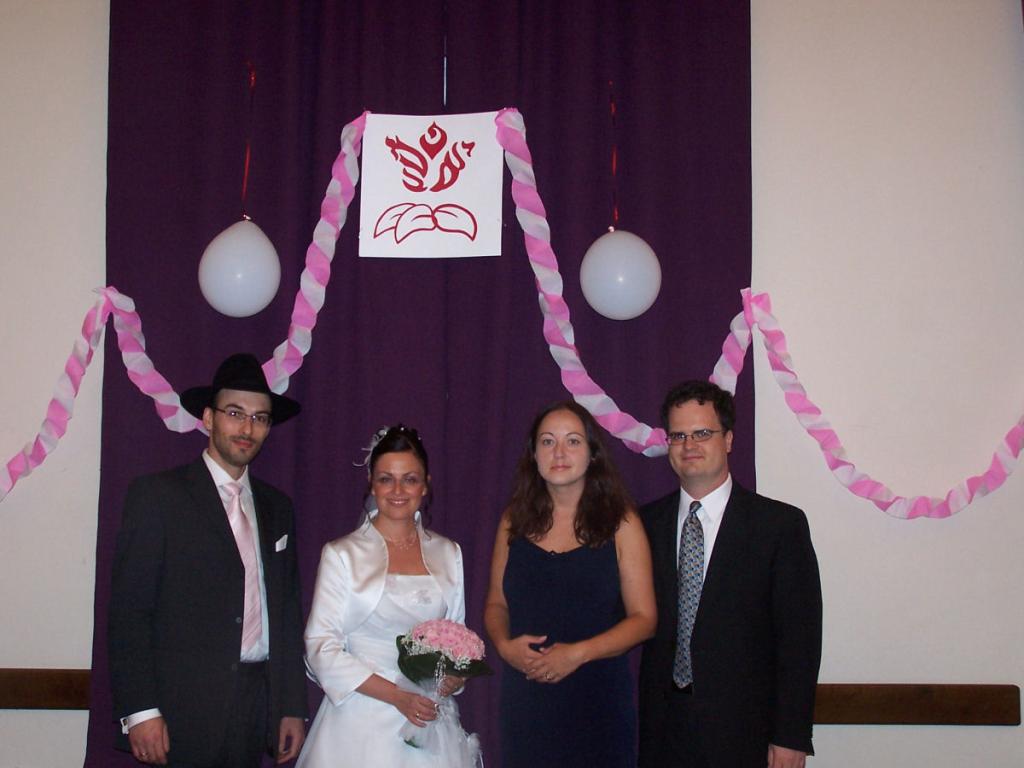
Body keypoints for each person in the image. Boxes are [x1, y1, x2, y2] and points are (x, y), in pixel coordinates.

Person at [108, 353, 307, 767]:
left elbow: (287, 611)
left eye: (259, 418)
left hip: (257, 705)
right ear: (208, 418)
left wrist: (291, 705)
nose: (247, 429)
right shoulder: (159, 497)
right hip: (179, 711)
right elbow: (129, 612)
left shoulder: (278, 508)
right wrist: (141, 711)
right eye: (235, 413)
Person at [638, 380, 823, 768]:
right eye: (678, 436)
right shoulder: (644, 525)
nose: (689, 445)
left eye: (702, 433)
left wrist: (790, 735)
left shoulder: (779, 526)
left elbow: (799, 641)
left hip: (746, 732)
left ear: (729, 440)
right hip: (663, 729)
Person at [484, 400, 657, 768]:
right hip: (527, 704)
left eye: (572, 441)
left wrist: (577, 654)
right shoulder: (513, 521)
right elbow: (496, 604)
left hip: (597, 702)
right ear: (533, 454)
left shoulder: (621, 522)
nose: (559, 452)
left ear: (592, 453)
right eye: (547, 441)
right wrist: (504, 647)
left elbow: (644, 620)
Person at [297, 424, 481, 768]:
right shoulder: (342, 554)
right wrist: (396, 696)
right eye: (386, 479)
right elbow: (320, 646)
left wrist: (454, 677)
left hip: (427, 719)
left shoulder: (448, 552)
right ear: (371, 483)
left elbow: (457, 636)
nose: (398, 490)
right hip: (360, 716)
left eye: (409, 479)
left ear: (425, 485)